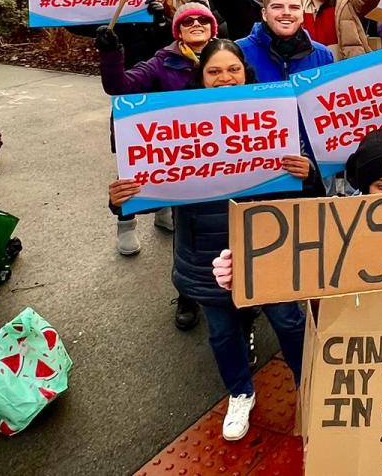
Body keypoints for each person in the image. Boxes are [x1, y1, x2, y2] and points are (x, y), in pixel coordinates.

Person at [110, 39, 315, 443]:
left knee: (290, 322)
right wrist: (120, 200)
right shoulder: (174, 125)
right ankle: (240, 392)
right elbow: (145, 192)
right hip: (205, 254)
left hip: (268, 247)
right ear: (200, 78)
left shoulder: (273, 118)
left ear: (246, 73)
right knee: (222, 333)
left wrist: (306, 174)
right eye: (215, 71)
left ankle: (307, 385)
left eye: (233, 70)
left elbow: (303, 196)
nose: (225, 78)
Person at [96, 0, 219, 336]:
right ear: (177, 30)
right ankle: (187, 296)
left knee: (224, 231)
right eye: (188, 20)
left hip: (221, 159)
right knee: (187, 234)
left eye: (202, 20)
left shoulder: (226, 58)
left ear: (213, 28)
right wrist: (112, 53)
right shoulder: (161, 62)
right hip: (181, 165)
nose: (196, 23)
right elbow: (120, 87)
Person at [237, 0, 334, 82]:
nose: (286, 13)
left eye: (294, 7)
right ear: (264, 14)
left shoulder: (323, 55)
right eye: (277, 7)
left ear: (302, 14)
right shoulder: (238, 52)